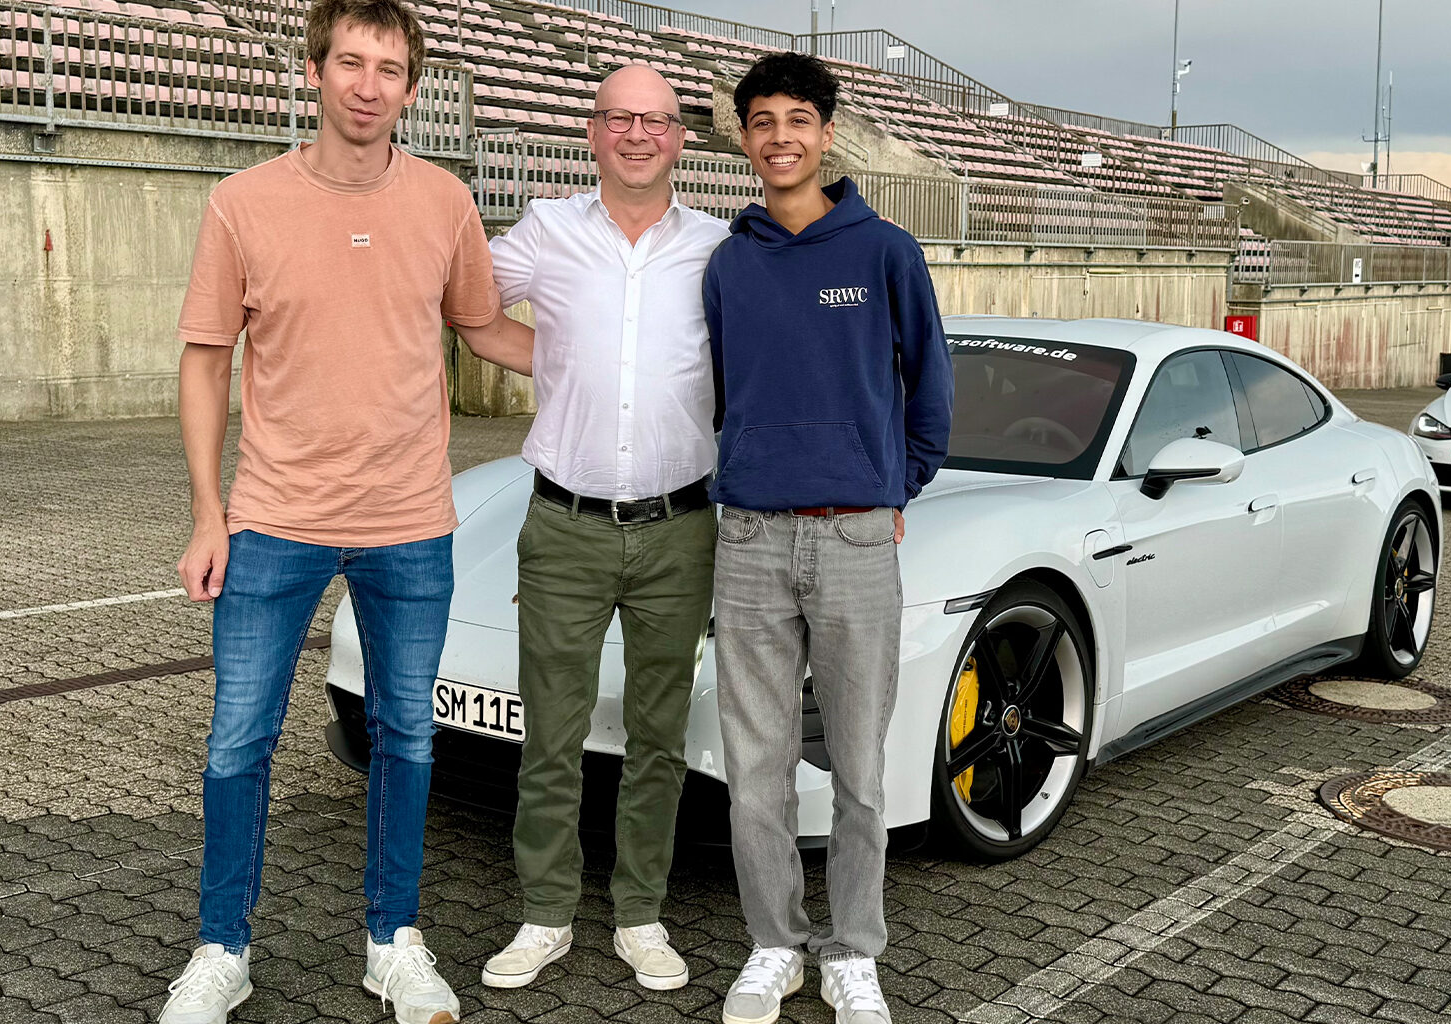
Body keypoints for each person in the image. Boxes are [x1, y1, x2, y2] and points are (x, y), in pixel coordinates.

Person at [160, 2, 531, 1021]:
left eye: (392, 68)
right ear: (316, 70)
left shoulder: (445, 201)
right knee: (240, 740)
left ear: (413, 86)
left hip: (411, 521)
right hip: (272, 519)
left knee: (407, 733)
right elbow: (203, 361)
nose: (370, 85)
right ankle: (221, 948)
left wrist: (619, 371)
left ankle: (393, 941)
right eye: (352, 63)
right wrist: (207, 513)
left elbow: (485, 327)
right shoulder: (244, 203)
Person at [465, 64, 731, 994]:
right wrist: (557, 361)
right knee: (553, 733)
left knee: (658, 738)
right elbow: (468, 304)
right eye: (619, 118)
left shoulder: (716, 247)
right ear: (592, 131)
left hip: (679, 527)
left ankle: (641, 916)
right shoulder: (546, 229)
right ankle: (544, 916)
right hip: (567, 525)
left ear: (680, 137)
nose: (636, 134)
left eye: (654, 119)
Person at [702, 52, 952, 1024]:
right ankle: (774, 943)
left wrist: (895, 486)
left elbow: (930, 393)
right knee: (754, 773)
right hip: (752, 539)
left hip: (855, 544)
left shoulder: (886, 252)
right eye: (760, 121)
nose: (779, 138)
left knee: (858, 769)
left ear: (826, 133)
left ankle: (853, 950)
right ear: (745, 137)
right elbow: (728, 394)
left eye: (796, 120)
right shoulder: (731, 263)